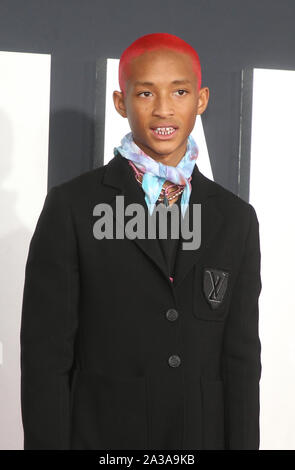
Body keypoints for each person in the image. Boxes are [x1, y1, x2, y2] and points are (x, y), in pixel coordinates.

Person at [20, 32, 262, 450]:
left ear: (201, 100)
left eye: (180, 91)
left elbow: (241, 363)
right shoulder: (73, 207)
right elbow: (45, 360)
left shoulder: (235, 219)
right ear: (120, 102)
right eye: (146, 93)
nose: (164, 108)